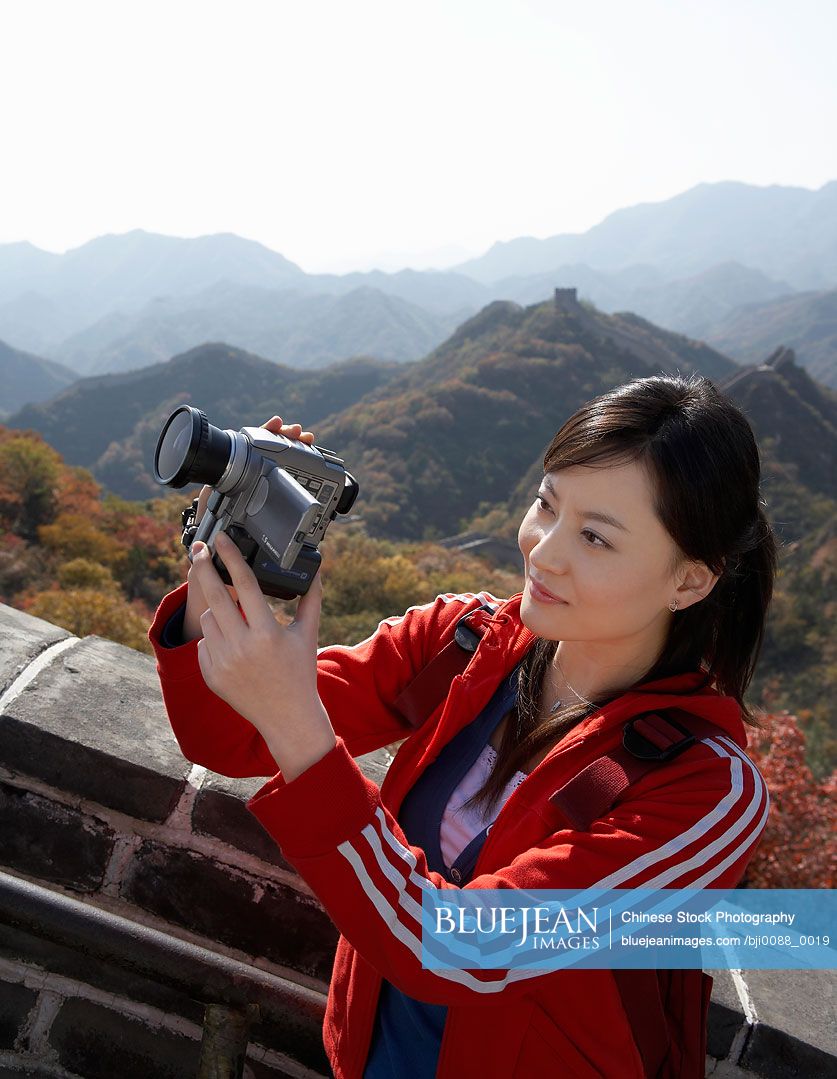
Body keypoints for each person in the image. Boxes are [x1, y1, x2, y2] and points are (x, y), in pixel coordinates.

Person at [149, 373, 776, 1078]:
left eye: (595, 537)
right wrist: (226, 576)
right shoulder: (462, 639)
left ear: (689, 581)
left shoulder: (705, 791)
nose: (542, 550)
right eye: (547, 503)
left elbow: (468, 950)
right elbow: (230, 736)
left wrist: (298, 723)